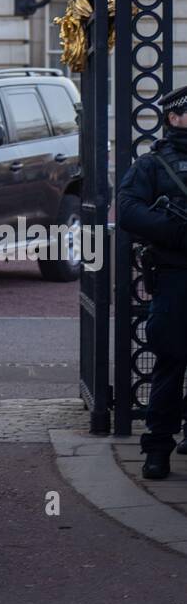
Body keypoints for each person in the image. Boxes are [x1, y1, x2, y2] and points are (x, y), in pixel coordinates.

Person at [118, 85, 187, 479]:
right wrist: (175, 233)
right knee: (171, 361)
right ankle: (157, 448)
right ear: (173, 117)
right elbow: (128, 211)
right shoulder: (152, 166)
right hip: (175, 276)